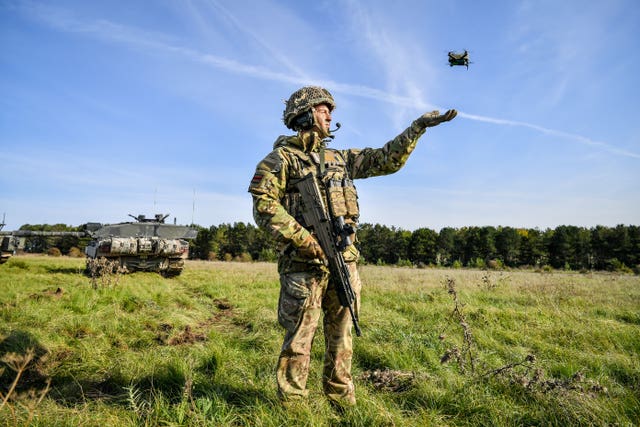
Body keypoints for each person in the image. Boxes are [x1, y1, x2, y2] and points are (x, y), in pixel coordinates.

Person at [248, 86, 456, 407]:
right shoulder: (280, 160)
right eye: (322, 109)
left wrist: (417, 127)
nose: (330, 115)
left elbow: (386, 159)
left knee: (342, 339)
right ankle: (292, 409)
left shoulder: (340, 159)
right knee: (299, 341)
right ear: (303, 114)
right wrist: (305, 241)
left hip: (345, 264)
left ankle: (342, 403)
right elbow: (264, 204)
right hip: (304, 268)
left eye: (330, 110)